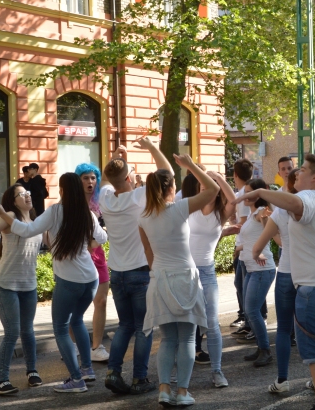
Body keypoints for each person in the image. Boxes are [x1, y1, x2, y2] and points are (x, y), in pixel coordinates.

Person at [233, 142, 315, 410]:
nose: (295, 175)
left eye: (301, 170)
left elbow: (292, 201)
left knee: (313, 351)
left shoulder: (310, 197)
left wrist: (260, 191)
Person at [0, 173, 107, 393]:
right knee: (77, 321)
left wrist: (2, 213)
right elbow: (103, 237)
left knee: (61, 329)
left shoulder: (56, 212)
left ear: (63, 191)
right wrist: (87, 246)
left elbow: (26, 230)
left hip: (69, 281)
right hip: (91, 279)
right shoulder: (88, 214)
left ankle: (76, 379)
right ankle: (87, 369)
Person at [139, 155, 219, 407]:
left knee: (168, 339)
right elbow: (214, 190)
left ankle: (164, 389)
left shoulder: (144, 218)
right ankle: (182, 391)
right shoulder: (179, 208)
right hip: (185, 277)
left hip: (160, 279)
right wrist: (191, 166)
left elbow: (149, 254)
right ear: (171, 188)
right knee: (186, 339)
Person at [99, 137, 169, 396]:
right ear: (129, 179)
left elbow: (110, 179)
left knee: (125, 325)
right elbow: (167, 173)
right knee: (143, 327)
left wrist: (119, 159)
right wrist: (151, 147)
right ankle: (140, 378)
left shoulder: (106, 199)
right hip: (140, 271)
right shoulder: (139, 197)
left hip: (116, 272)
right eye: (132, 173)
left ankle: (113, 372)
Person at [0, 185, 43, 395]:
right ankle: (1, 381)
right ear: (13, 200)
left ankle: (32, 372)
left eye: (29, 193)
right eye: (22, 194)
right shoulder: (9, 216)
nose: (28, 196)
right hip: (7, 285)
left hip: (29, 285)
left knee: (28, 331)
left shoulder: (35, 220)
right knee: (12, 332)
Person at [182, 166, 235, 386]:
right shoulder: (190, 207)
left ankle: (217, 371)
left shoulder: (221, 213)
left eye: (211, 185)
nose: (207, 188)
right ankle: (180, 374)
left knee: (212, 323)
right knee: (185, 324)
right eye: (203, 185)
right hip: (185, 271)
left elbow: (233, 199)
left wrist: (219, 177)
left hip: (207, 272)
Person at [257, 168, 301, 393]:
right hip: (309, 274)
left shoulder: (281, 212)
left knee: (284, 328)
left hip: (286, 272)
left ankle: (282, 380)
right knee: (312, 329)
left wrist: (255, 253)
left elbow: (270, 243)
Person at [236, 179, 277, 366]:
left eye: (249, 192)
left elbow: (267, 229)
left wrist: (257, 250)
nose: (245, 195)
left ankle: (265, 350)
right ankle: (261, 347)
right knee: (249, 309)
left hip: (262, 268)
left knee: (252, 309)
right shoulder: (252, 214)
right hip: (252, 268)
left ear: (258, 194)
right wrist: (243, 247)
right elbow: (254, 237)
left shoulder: (261, 212)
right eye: (244, 191)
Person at [74, 162, 110, 363]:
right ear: (78, 181)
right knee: (76, 305)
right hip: (77, 258)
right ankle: (74, 344)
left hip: (98, 255)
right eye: (85, 178)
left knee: (102, 301)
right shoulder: (71, 204)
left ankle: (97, 346)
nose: (90, 181)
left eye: (93, 177)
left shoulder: (100, 202)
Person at [230, 158, 255, 330]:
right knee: (242, 284)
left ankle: (248, 320)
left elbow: (244, 223)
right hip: (244, 246)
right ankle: (247, 318)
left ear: (235, 175)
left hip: (245, 247)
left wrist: (239, 248)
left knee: (244, 285)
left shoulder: (243, 195)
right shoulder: (244, 193)